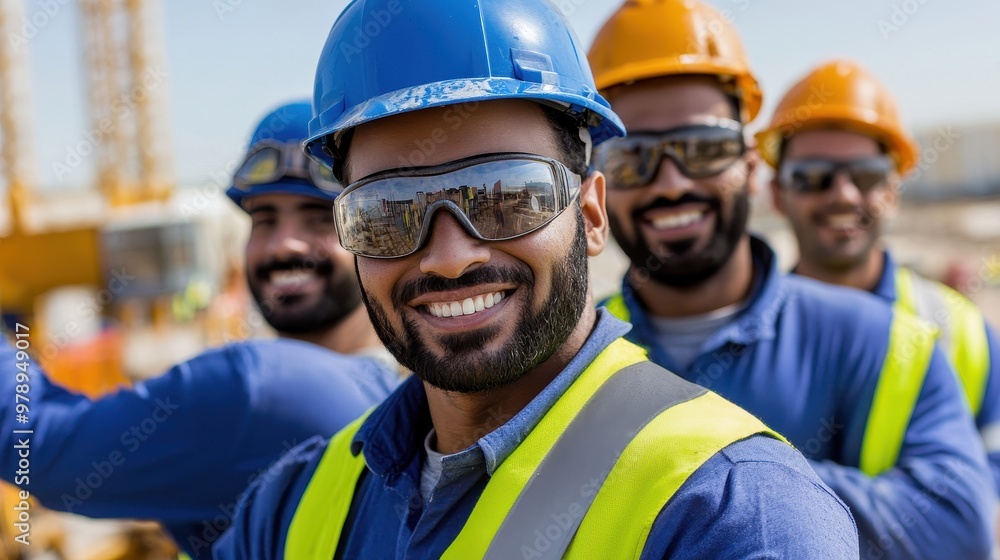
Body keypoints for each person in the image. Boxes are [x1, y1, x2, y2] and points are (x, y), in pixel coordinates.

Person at [212, 1, 860, 558]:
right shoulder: (293, 506)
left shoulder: (731, 511)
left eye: (506, 196)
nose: (448, 257)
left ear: (591, 213)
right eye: (388, 213)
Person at [587, 1, 994, 558]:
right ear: (596, 188)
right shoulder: (571, 358)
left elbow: (957, 533)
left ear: (752, 169)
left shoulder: (889, 341)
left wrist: (705, 477)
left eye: (703, 148)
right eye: (634, 157)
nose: (672, 182)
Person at [0, 100, 400, 558]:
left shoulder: (262, 388)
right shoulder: (405, 391)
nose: (283, 244)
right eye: (264, 218)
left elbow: (36, 445)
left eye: (319, 217)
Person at [756, 59, 1000, 488]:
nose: (844, 195)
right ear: (777, 195)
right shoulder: (739, 337)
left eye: (866, 176)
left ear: (892, 191)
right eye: (813, 177)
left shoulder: (961, 331)